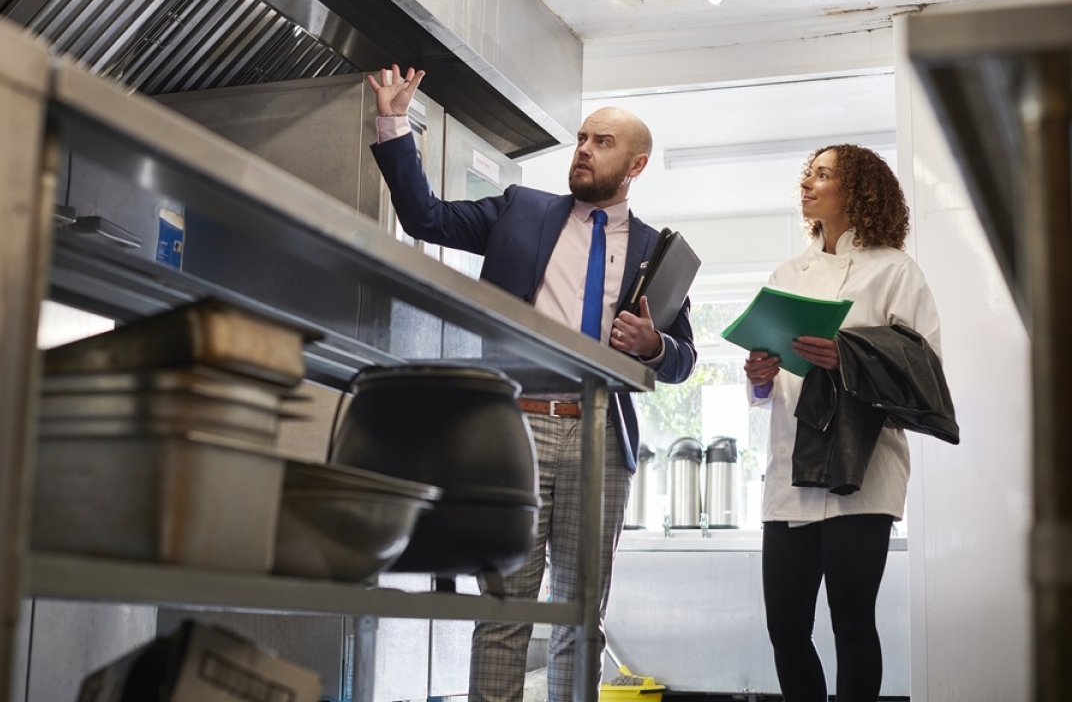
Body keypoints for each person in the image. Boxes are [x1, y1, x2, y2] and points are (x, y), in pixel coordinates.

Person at [365, 65, 696, 702]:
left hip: (602, 435)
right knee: (504, 612)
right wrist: (393, 123)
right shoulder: (522, 210)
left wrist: (654, 345)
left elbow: (682, 360)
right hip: (515, 429)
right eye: (581, 138)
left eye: (601, 143)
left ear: (637, 165)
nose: (583, 150)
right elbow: (425, 217)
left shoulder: (659, 251)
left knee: (580, 619)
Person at [743, 144, 948, 702]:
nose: (808, 183)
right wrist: (761, 373)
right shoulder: (788, 272)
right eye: (807, 173)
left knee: (852, 624)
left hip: (864, 475)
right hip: (790, 473)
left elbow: (924, 367)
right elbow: (771, 387)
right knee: (785, 627)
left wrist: (849, 355)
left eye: (824, 174)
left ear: (858, 190)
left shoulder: (896, 270)